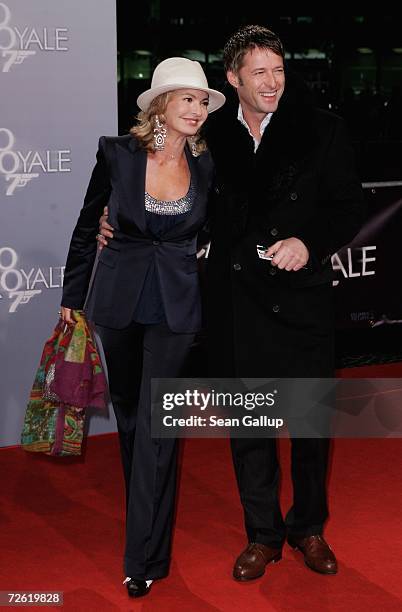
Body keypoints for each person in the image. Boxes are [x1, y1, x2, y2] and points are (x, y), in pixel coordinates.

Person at [98, 25, 366, 583]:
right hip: (236, 300)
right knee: (250, 427)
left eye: (279, 70)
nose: (273, 83)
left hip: (302, 300)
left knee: (311, 424)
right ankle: (263, 534)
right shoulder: (209, 133)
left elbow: (347, 208)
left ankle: (309, 527)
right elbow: (170, 191)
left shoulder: (324, 130)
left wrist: (308, 242)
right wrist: (114, 223)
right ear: (233, 77)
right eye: (260, 72)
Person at [60, 57, 225, 598]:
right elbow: (88, 227)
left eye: (202, 101)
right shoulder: (119, 156)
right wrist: (72, 297)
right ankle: (149, 528)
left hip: (176, 310)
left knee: (157, 423)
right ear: (160, 105)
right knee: (132, 416)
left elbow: (213, 231)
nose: (196, 110)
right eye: (186, 99)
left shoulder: (205, 166)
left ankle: (142, 559)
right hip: (119, 303)